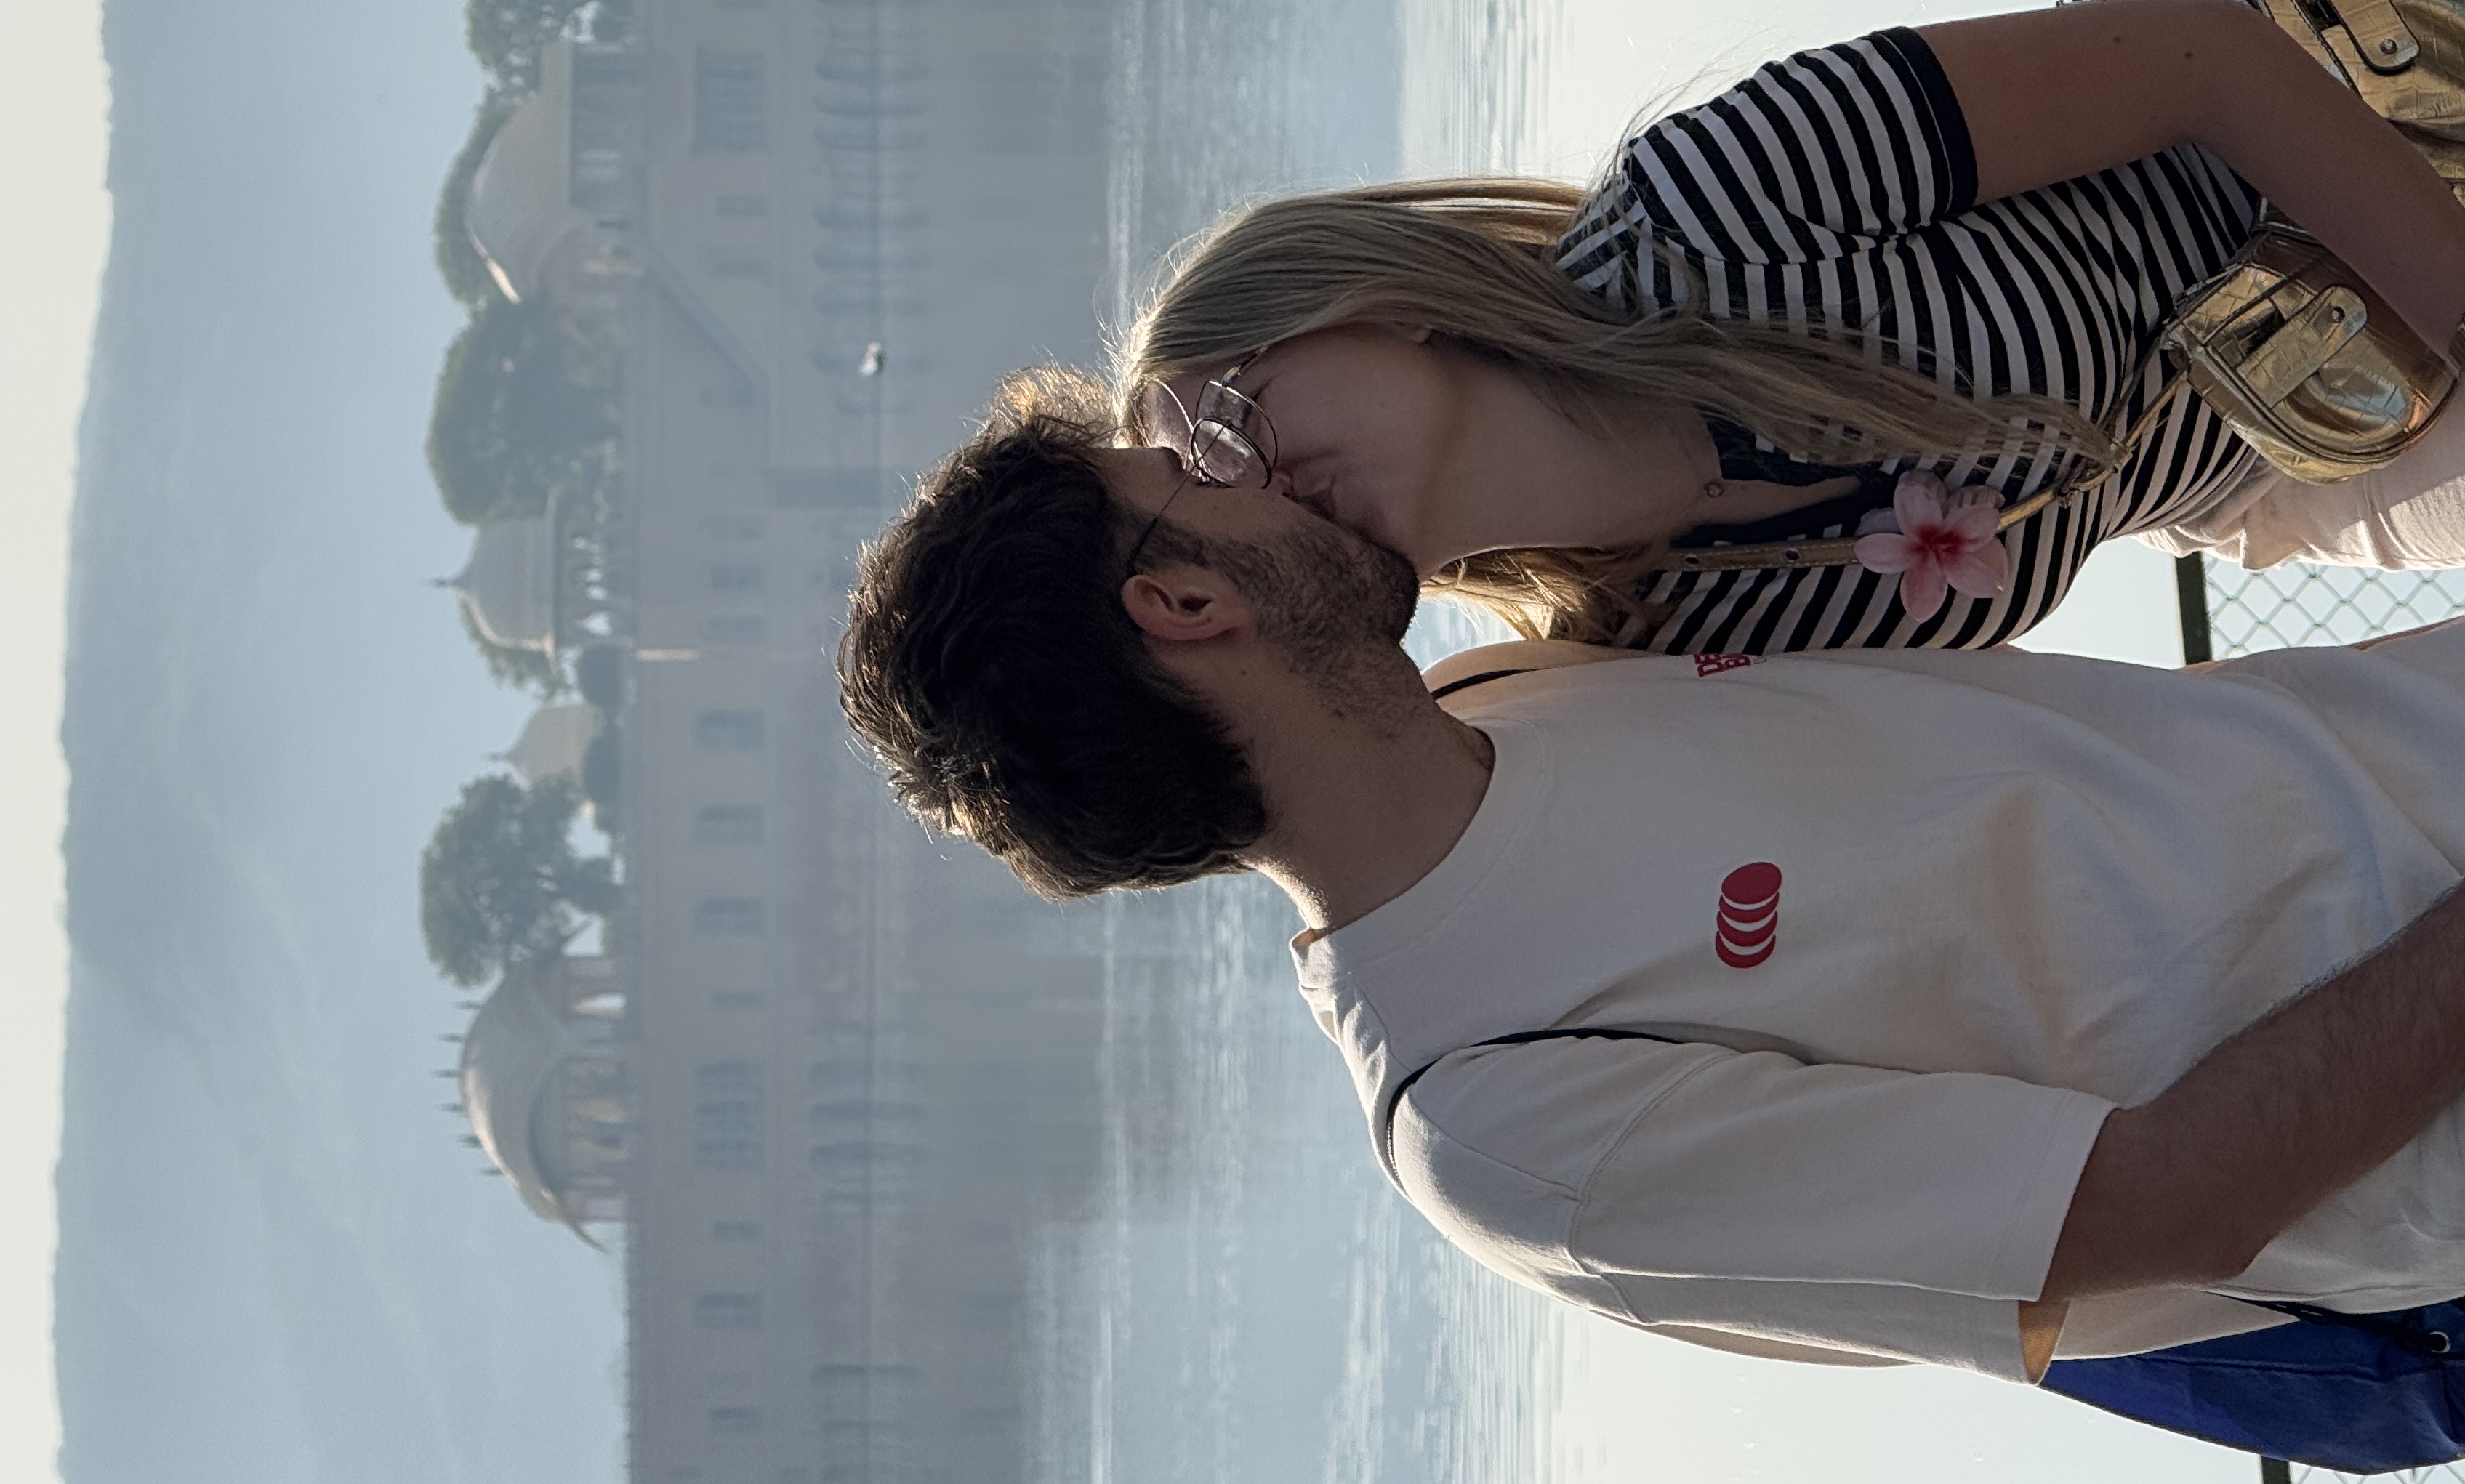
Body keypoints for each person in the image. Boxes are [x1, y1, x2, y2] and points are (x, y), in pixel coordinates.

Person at [837, 369, 2465, 1384]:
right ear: (1184, 606)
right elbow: (2177, 1202)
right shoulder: (1500, 1118)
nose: (1248, 465)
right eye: (1193, 477)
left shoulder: (1501, 687)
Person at [1119, 0, 2465, 655]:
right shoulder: (1643, 653)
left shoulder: (1707, 210)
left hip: (2373, 80)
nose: (1257, 482)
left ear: (1381, 305)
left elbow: (2209, 65)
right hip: (2313, 447)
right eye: (1211, 486)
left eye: (1237, 413)